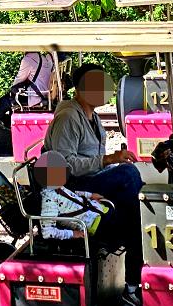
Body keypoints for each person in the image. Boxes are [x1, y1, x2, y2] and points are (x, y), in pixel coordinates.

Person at [41, 64, 144, 291]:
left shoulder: (92, 117)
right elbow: (65, 165)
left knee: (139, 194)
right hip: (71, 186)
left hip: (91, 178)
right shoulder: (69, 117)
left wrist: (110, 161)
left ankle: (133, 260)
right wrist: (108, 160)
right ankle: (134, 276)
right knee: (128, 175)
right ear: (80, 89)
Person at [34, 150, 110, 241]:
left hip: (98, 212)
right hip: (94, 224)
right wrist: (73, 234)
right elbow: (47, 232)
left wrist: (89, 195)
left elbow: (72, 194)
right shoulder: (49, 201)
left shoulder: (57, 187)